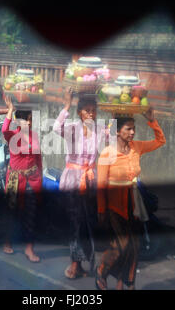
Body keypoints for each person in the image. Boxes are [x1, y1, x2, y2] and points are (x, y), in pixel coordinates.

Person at [96, 108, 166, 290]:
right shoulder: (106, 153)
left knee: (134, 246)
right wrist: (102, 211)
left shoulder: (137, 147)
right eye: (128, 129)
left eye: (133, 128)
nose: (133, 132)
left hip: (134, 202)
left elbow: (160, 141)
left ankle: (127, 283)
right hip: (114, 205)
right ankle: (101, 271)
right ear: (118, 131)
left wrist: (152, 121)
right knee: (122, 244)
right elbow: (101, 185)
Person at [53, 87, 109, 279]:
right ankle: (75, 264)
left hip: (91, 180)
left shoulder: (100, 130)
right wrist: (67, 104)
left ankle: (82, 263)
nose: (91, 113)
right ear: (79, 112)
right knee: (76, 222)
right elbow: (56, 128)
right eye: (86, 110)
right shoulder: (72, 128)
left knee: (87, 222)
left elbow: (114, 142)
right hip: (73, 181)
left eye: (93, 110)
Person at [2, 96, 42, 263]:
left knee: (31, 214)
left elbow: (39, 159)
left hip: (32, 180)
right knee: (12, 213)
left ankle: (29, 248)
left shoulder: (34, 136)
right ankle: (7, 240)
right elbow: (4, 129)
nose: (30, 123)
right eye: (28, 120)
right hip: (15, 179)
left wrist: (40, 180)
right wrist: (10, 110)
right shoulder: (12, 135)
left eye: (31, 120)